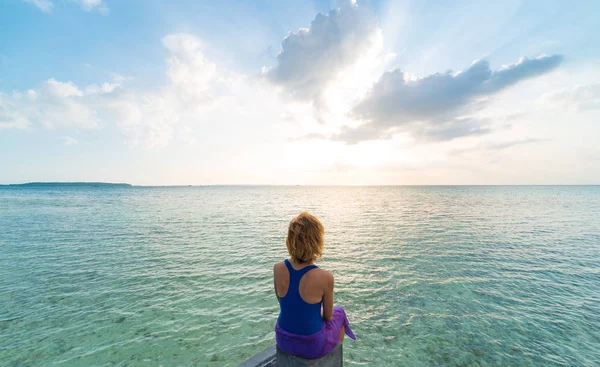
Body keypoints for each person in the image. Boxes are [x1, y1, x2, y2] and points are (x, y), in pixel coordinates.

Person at [273, 212, 355, 359]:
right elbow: (329, 317)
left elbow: (285, 303)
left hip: (283, 339)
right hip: (310, 346)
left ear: (290, 241)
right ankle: (331, 360)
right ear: (316, 241)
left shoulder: (277, 268)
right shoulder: (325, 277)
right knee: (340, 314)